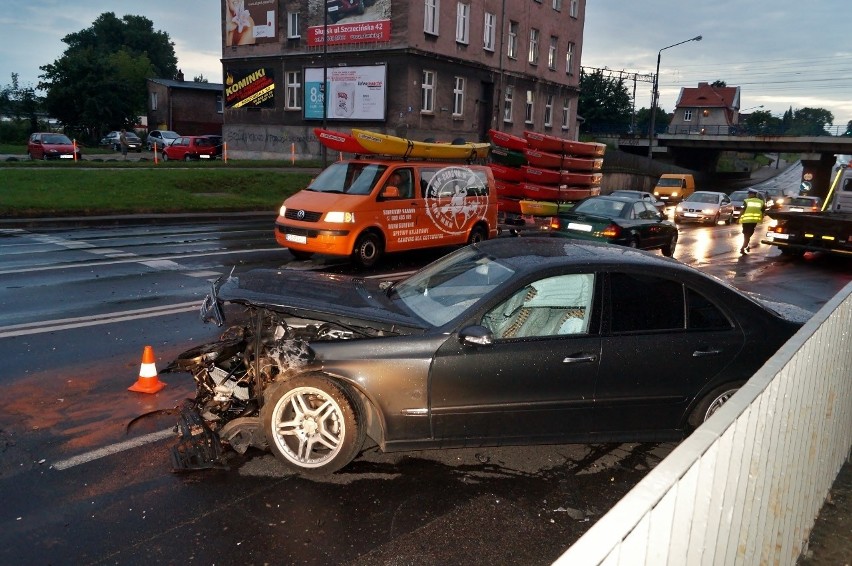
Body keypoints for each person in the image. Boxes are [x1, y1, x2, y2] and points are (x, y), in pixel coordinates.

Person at [739, 189, 765, 254]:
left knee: (746, 233)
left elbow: (743, 210)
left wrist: (738, 217)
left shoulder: (746, 201)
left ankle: (744, 245)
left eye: (750, 194)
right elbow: (763, 211)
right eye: (748, 194)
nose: (748, 195)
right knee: (748, 233)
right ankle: (746, 245)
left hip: (746, 220)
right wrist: (762, 217)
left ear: (754, 194)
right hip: (754, 221)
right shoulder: (761, 202)